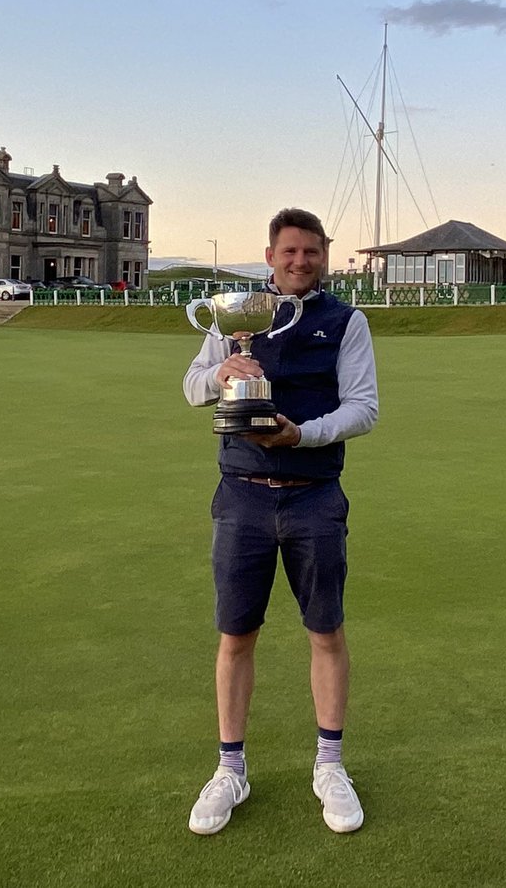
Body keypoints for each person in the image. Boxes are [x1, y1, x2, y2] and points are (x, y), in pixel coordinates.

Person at [182, 207, 379, 835]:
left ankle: (329, 763)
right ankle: (231, 769)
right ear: (270, 256)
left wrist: (303, 435)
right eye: (289, 252)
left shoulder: (346, 322)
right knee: (236, 636)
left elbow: (364, 409)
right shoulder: (235, 315)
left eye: (311, 252)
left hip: (314, 496)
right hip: (240, 495)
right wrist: (222, 371)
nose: (300, 262)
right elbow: (190, 387)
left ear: (324, 255)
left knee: (326, 631)